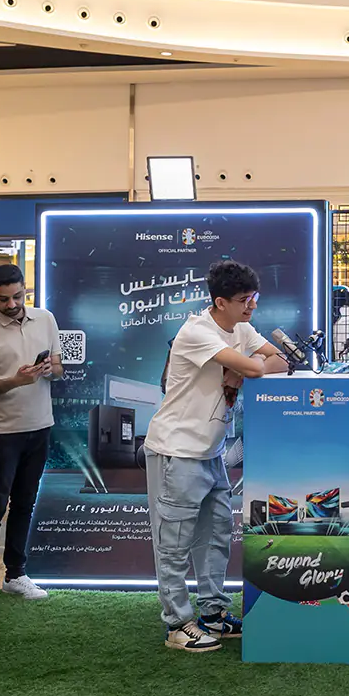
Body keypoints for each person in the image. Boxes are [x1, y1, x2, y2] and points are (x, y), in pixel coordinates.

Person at [143, 260, 288, 653]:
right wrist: (246, 368)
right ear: (220, 302)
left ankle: (213, 615)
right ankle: (177, 624)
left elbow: (279, 361)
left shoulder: (240, 327)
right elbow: (258, 367)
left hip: (212, 451)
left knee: (216, 536)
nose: (252, 307)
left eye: (254, 299)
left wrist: (243, 370)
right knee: (173, 543)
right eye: (244, 300)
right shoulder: (197, 331)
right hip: (176, 450)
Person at [0, 265, 62, 612]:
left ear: (26, 290)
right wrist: (16, 381)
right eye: (3, 299)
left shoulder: (46, 319)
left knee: (25, 503)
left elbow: (59, 366)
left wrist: (50, 370)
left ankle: (15, 575)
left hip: (40, 426)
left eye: (18, 296)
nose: (12, 303)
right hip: (2, 431)